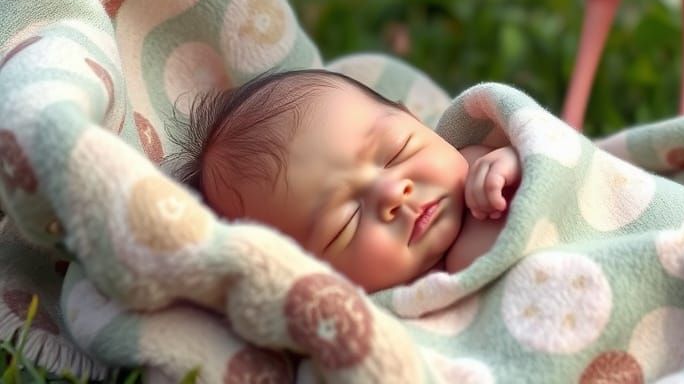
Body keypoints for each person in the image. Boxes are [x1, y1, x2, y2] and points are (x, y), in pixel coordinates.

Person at [170, 69, 521, 292]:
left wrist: (519, 160)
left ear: (413, 118)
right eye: (345, 225)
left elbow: (560, 163)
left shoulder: (485, 161)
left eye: (398, 151)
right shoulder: (384, 322)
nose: (392, 192)